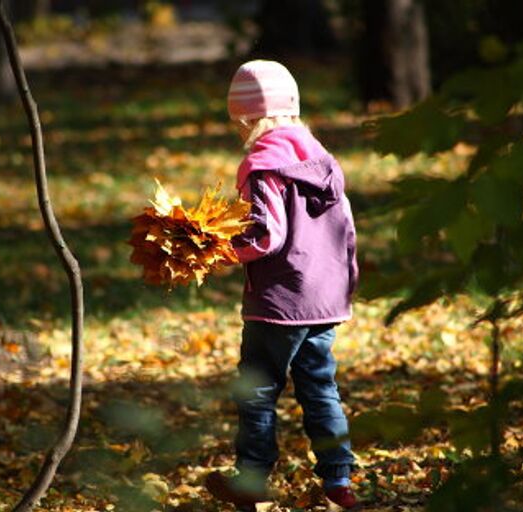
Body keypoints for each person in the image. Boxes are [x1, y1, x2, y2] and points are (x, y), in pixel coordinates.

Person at [206, 60, 360, 510]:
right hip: (324, 299)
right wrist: (346, 285)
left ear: (247, 118)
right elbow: (345, 228)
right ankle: (339, 483)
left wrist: (220, 249)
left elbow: (266, 235)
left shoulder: (262, 165)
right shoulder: (320, 159)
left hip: (278, 302)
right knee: (320, 388)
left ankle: (250, 483)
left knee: (257, 391)